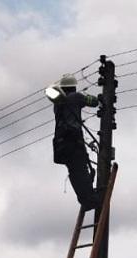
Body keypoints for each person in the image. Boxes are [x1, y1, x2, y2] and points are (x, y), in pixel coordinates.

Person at [46, 73, 100, 211]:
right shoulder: (76, 97)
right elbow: (93, 102)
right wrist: (100, 99)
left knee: (75, 172)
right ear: (73, 87)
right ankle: (89, 199)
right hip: (73, 141)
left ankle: (85, 198)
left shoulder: (58, 105)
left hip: (61, 144)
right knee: (80, 170)